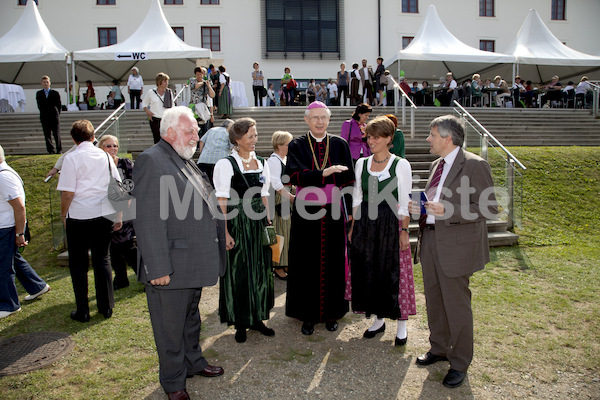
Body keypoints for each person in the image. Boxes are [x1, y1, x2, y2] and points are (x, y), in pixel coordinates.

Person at [133, 106, 225, 399]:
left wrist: (219, 235)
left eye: (197, 132)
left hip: (190, 263)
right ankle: (173, 383)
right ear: (170, 131)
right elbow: (148, 219)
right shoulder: (152, 160)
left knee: (190, 320)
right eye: (190, 131)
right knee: (169, 329)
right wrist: (157, 268)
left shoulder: (183, 159)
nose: (196, 137)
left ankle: (193, 362)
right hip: (169, 267)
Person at [412, 115, 497, 389]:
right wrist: (421, 209)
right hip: (431, 242)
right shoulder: (436, 164)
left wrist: (450, 212)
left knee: (457, 306)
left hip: (457, 249)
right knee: (435, 301)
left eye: (432, 134)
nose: (428, 139)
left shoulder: (475, 164)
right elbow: (436, 203)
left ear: (448, 138)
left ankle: (459, 362)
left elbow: (489, 208)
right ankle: (439, 347)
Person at [285, 101, 355, 335]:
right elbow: (293, 176)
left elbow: (348, 181)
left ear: (329, 119)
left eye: (323, 117)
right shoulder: (296, 144)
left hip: (334, 211)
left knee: (334, 261)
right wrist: (322, 173)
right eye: (315, 117)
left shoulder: (340, 144)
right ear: (306, 119)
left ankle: (332, 313)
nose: (319, 122)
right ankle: (307, 315)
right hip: (307, 211)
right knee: (306, 262)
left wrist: (350, 210)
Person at [347, 116, 415, 346]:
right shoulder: (362, 163)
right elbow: (357, 196)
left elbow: (405, 200)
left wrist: (404, 230)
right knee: (370, 269)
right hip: (366, 221)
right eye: (369, 136)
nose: (371, 140)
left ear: (388, 139)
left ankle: (402, 325)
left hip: (391, 222)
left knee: (394, 272)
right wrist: (354, 226)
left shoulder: (400, 164)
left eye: (376, 137)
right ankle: (378, 319)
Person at [213, 118, 275, 343]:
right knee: (239, 272)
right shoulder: (226, 164)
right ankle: (240, 321)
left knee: (259, 269)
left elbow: (265, 194)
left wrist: (268, 220)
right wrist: (225, 232)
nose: (254, 140)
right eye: (250, 136)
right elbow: (221, 199)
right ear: (237, 139)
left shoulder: (262, 162)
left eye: (256, 135)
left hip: (257, 222)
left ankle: (257, 317)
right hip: (237, 223)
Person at [57, 120, 121, 323]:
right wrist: (118, 214)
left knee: (79, 264)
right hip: (103, 214)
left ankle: (83, 310)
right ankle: (106, 306)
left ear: (74, 139)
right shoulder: (103, 155)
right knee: (102, 259)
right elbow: (116, 185)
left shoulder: (72, 157)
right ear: (93, 137)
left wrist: (63, 214)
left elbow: (67, 192)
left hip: (79, 215)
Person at [0, 145, 51, 320]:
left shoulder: (3, 176)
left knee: (3, 266)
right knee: (13, 259)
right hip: (7, 226)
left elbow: (19, 207)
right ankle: (37, 286)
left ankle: (9, 304)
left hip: (6, 227)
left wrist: (19, 234)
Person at [98, 135, 137, 290]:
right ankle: (121, 278)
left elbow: (132, 184)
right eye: (108, 146)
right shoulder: (98, 165)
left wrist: (124, 205)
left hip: (125, 208)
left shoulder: (125, 163)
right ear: (100, 148)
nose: (113, 149)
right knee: (112, 247)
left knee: (127, 245)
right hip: (105, 209)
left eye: (115, 145)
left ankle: (143, 275)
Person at [266, 130, 295, 281]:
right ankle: (278, 266)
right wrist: (290, 197)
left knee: (287, 231)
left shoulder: (283, 160)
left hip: (285, 196)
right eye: (288, 144)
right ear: (279, 145)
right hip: (281, 198)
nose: (290, 146)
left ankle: (285, 263)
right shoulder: (273, 160)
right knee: (281, 232)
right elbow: (275, 183)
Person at [196, 119, 233, 183]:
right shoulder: (228, 133)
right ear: (230, 126)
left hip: (204, 160)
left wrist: (201, 152)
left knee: (204, 183)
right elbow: (232, 147)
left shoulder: (211, 130)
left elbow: (202, 140)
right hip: (219, 161)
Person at [142, 72, 174, 144]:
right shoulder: (151, 92)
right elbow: (144, 103)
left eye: (167, 82)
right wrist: (148, 112)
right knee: (157, 139)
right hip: (155, 118)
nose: (166, 83)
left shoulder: (168, 92)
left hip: (165, 118)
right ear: (159, 82)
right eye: (165, 81)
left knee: (166, 138)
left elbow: (172, 105)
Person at [36, 75, 62, 154]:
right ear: (41, 83)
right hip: (44, 116)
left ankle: (59, 149)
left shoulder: (55, 93)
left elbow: (59, 105)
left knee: (56, 134)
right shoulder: (39, 93)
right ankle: (51, 150)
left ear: (50, 83)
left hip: (54, 116)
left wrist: (57, 114)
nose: (46, 83)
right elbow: (39, 105)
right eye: (44, 82)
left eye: (47, 82)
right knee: (47, 134)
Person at [189, 67, 215, 137]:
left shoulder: (206, 83)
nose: (199, 76)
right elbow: (194, 86)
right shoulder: (192, 80)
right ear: (195, 74)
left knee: (205, 127)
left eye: (200, 74)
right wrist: (203, 82)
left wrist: (209, 86)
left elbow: (212, 95)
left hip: (203, 107)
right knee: (195, 127)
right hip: (194, 106)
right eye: (198, 74)